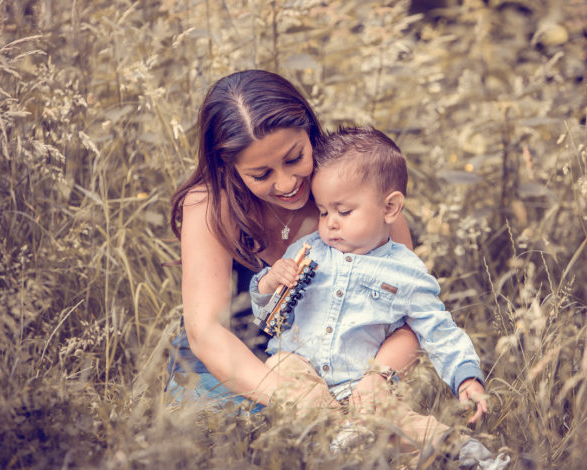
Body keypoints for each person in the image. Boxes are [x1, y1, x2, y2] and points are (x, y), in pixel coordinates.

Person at [166, 70, 421, 413]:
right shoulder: (210, 205)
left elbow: (409, 318)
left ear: (309, 131)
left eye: (294, 158)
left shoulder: (358, 199)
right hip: (228, 369)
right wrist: (301, 402)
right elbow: (206, 333)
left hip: (343, 372)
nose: (286, 183)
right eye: (261, 174)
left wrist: (377, 381)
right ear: (229, 168)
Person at [250, 127, 500, 459]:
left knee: (397, 419)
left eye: (344, 211)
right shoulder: (308, 251)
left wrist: (466, 377)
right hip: (303, 370)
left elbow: (438, 329)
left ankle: (467, 454)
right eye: (323, 212)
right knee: (281, 365)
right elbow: (266, 314)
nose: (330, 223)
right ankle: (341, 434)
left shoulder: (405, 271)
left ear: (390, 208)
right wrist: (269, 283)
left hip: (364, 384)